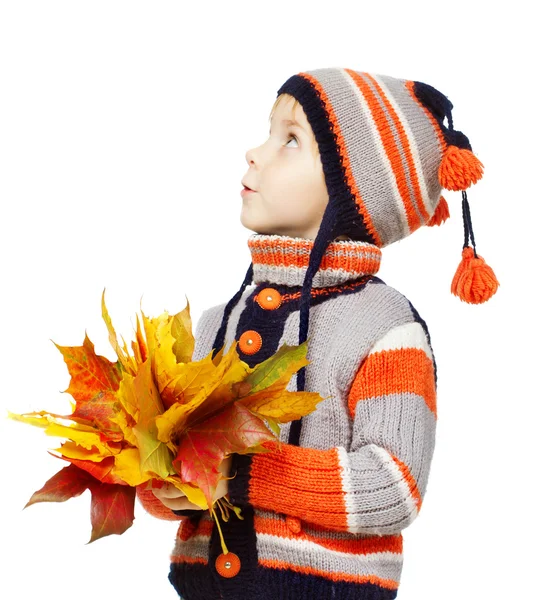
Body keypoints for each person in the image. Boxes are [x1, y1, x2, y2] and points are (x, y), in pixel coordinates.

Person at [136, 67, 499, 599]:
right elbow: (170, 477)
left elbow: (394, 487)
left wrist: (240, 475)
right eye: (268, 132)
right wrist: (158, 482)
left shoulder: (385, 327)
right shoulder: (215, 323)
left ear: (354, 190)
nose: (254, 153)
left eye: (290, 140)